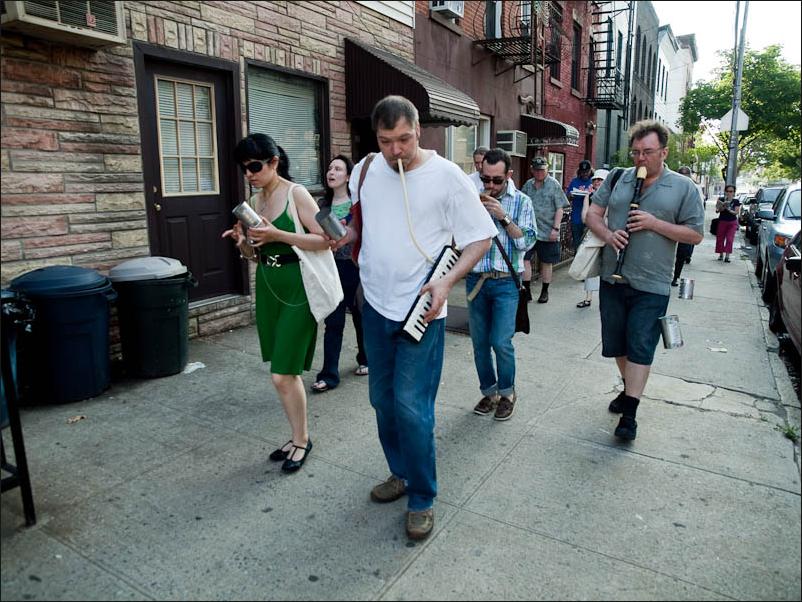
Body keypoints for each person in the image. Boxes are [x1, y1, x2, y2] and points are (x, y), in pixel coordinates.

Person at [335, 95, 496, 541]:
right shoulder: (366, 169)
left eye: (404, 139)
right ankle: (401, 472)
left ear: (419, 130)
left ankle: (422, 496)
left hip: (423, 310)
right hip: (375, 305)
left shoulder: (447, 177)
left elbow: (480, 238)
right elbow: (362, 223)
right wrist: (346, 234)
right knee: (381, 401)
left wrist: (447, 283)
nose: (396, 150)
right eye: (386, 141)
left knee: (411, 406)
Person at [584, 120, 704, 441]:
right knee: (617, 344)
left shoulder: (683, 187)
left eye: (647, 152)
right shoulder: (618, 177)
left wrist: (653, 223)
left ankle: (630, 414)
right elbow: (592, 214)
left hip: (653, 282)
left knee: (640, 343)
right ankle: (629, 389)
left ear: (664, 152)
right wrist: (609, 235)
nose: (640, 158)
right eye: (636, 152)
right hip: (613, 276)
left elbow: (695, 234)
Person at [222, 133, 329, 473]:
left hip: (298, 287)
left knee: (283, 373)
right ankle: (297, 436)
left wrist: (278, 234)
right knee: (283, 372)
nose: (249, 174)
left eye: (255, 166)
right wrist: (242, 242)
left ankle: (302, 440)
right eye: (244, 168)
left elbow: (325, 240)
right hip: (269, 286)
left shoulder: (296, 193)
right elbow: (256, 254)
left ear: (274, 162)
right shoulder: (254, 200)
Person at [468, 148, 536, 420]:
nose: (491, 185)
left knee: (500, 341)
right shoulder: (472, 197)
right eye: (485, 178)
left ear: (508, 175)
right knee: (480, 343)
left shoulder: (522, 202)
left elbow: (526, 243)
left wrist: (503, 217)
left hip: (506, 282)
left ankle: (507, 393)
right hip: (476, 280)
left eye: (497, 180)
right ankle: (489, 392)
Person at [310, 155, 369, 393]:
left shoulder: (358, 203)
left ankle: (366, 358)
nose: (331, 172)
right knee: (333, 321)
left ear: (348, 176)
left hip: (354, 266)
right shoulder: (322, 204)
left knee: (360, 316)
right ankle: (328, 375)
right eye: (330, 168)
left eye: (338, 169)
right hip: (330, 267)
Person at [521, 156, 569, 303]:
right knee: (524, 259)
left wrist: (556, 228)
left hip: (548, 230)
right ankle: (527, 290)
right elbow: (522, 203)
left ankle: (544, 291)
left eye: (542, 170)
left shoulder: (554, 185)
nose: (539, 173)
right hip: (530, 230)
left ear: (547, 169)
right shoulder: (528, 185)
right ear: (532, 170)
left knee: (546, 262)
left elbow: (560, 208)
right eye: (536, 170)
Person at [576, 168, 609, 308]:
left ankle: (607, 298)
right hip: (592, 233)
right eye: (595, 180)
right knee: (590, 265)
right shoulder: (589, 196)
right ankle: (588, 297)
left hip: (608, 235)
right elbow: (584, 217)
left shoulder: (612, 197)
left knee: (607, 267)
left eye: (600, 180)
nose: (597, 182)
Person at [672, 165, 704, 285]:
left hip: (686, 223)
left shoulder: (695, 188)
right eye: (682, 176)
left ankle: (676, 276)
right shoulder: (671, 186)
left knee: (682, 252)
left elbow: (699, 207)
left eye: (686, 176)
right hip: (670, 221)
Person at [567, 160, 594, 251]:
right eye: (583, 172)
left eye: (587, 171)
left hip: (590, 217)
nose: (585, 174)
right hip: (576, 217)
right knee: (577, 244)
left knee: (588, 244)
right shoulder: (575, 181)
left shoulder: (594, 181)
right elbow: (567, 196)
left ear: (590, 170)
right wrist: (570, 196)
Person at [715, 184, 740, 263]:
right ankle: (721, 255)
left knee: (729, 239)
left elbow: (736, 212)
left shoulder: (736, 201)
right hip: (722, 221)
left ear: (734, 192)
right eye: (727, 191)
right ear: (725, 192)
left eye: (731, 191)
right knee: (720, 238)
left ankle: (727, 256)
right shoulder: (721, 199)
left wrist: (729, 209)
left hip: (732, 222)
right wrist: (722, 207)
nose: (729, 193)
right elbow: (717, 210)